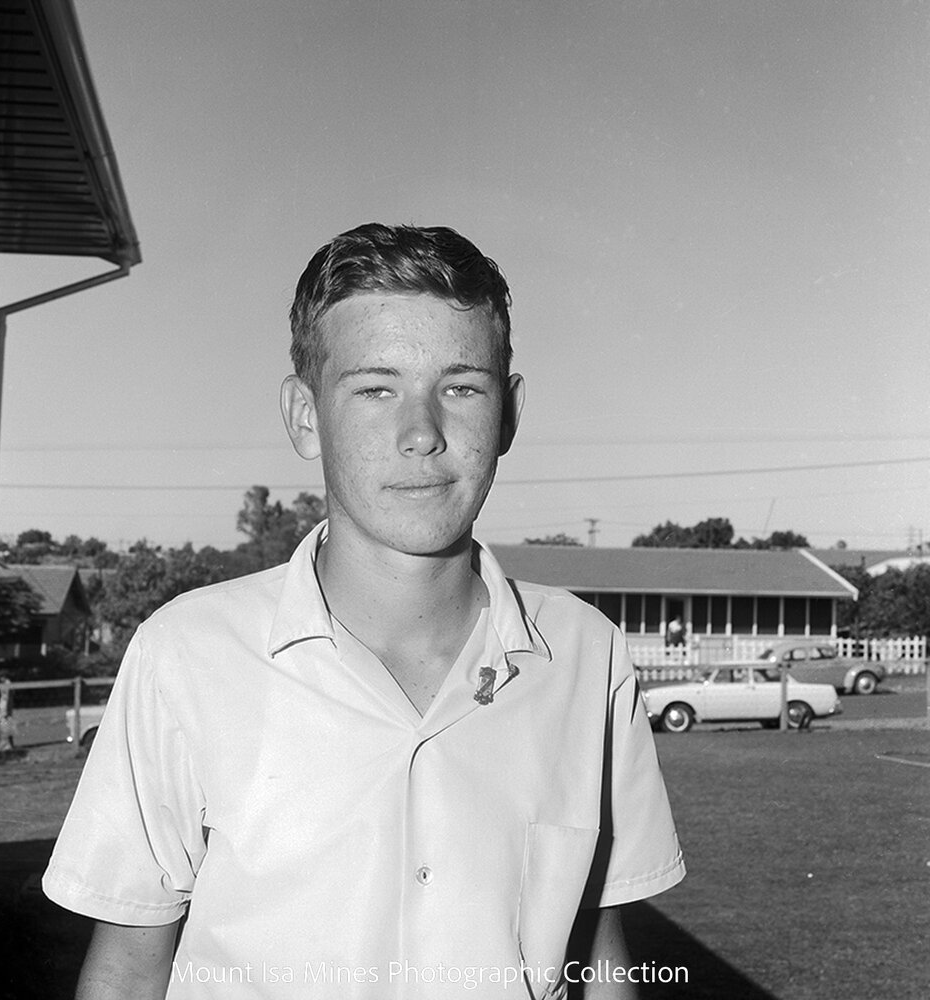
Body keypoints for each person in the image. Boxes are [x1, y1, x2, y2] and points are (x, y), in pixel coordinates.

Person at [43, 223, 685, 999]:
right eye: (375, 388)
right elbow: (126, 969)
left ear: (509, 413)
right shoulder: (184, 655)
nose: (421, 433)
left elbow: (599, 953)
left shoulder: (589, 657)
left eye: (462, 387)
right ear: (306, 415)